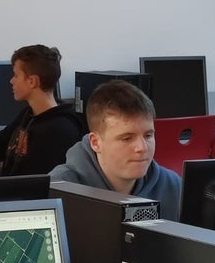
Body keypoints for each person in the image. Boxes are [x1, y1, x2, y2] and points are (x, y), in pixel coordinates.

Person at [50, 79, 182, 221]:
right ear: (95, 143)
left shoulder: (173, 186)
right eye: (127, 138)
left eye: (148, 135)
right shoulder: (57, 190)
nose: (142, 148)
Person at [0, 45, 84, 179]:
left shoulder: (59, 130)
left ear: (32, 81)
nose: (11, 81)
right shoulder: (30, 114)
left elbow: (30, 184)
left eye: (16, 75)